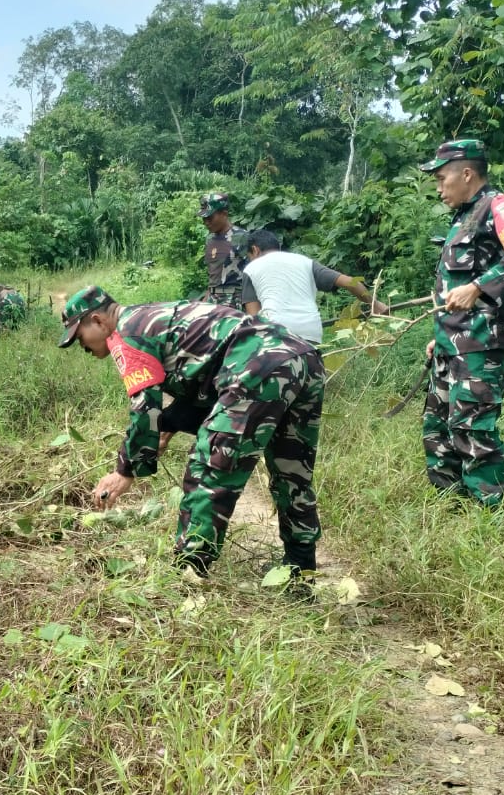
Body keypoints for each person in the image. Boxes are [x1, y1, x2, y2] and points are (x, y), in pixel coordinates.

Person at [59, 284, 324, 577]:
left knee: (210, 468)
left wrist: (125, 470)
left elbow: (145, 408)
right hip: (303, 358)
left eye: (79, 337)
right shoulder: (152, 315)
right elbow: (204, 374)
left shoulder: (126, 334)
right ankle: (301, 570)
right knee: (292, 471)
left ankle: (189, 572)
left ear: (98, 320)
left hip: (257, 365)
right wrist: (168, 426)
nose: (82, 346)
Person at [419, 139, 504, 506]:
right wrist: (440, 336)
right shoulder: (463, 217)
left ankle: (491, 509)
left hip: (483, 342)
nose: (439, 189)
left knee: (472, 427)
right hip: (453, 342)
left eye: (441, 179)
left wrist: (477, 288)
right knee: (437, 426)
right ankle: (450, 505)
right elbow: (453, 288)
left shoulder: (499, 206)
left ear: (466, 173)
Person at [240, 230, 388, 344]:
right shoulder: (304, 262)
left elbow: (255, 318)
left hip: (276, 334)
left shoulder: (251, 269)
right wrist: (374, 303)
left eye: (249, 256)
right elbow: (351, 282)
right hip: (310, 332)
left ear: (255, 250)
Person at [199, 191, 249, 308]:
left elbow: (253, 274)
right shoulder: (210, 239)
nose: (206, 222)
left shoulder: (242, 237)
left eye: (210, 218)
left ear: (224, 214)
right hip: (212, 301)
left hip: (235, 301)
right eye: (204, 218)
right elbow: (213, 276)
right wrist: (205, 300)